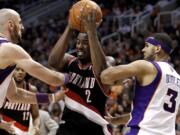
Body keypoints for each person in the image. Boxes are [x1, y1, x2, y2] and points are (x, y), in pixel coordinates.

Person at [0, 8, 68, 133]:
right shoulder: (8, 49)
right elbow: (50, 78)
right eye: (19, 22)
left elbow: (15, 95)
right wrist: (71, 77)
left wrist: (52, 97)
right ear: (10, 25)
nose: (23, 27)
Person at [48, 10, 114, 135]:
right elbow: (53, 61)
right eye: (78, 42)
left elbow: (101, 71)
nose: (79, 46)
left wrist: (92, 33)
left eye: (85, 43)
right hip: (68, 127)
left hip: (95, 127)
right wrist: (69, 27)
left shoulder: (107, 63)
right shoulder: (71, 61)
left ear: (95, 44)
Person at [100, 33, 180, 135]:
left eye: (147, 46)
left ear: (157, 48)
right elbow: (147, 114)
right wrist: (114, 120)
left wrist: (109, 65)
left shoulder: (146, 66)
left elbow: (105, 76)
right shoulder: (178, 78)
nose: (143, 50)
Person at [0, 66, 40, 135]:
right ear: (12, 71)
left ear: (26, 72)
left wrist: (36, 126)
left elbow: (36, 115)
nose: (20, 72)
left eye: (23, 70)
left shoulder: (31, 90)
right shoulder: (3, 87)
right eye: (17, 69)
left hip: (22, 132)